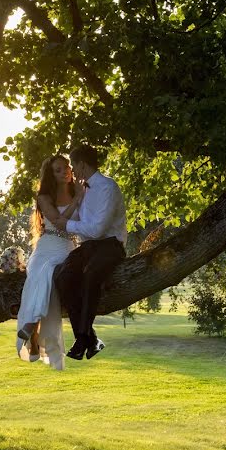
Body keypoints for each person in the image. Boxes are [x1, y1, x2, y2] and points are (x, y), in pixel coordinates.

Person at [54, 145, 127, 361]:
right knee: (62, 275)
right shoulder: (83, 190)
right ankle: (90, 338)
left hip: (110, 245)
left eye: (74, 166)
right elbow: (78, 221)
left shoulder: (108, 188)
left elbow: (97, 229)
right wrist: (70, 204)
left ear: (82, 165)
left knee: (91, 275)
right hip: (89, 246)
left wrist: (66, 224)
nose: (73, 171)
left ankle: (82, 337)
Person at [15, 155, 83, 370]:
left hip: (66, 249)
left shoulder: (78, 191)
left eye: (66, 167)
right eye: (58, 170)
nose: (65, 172)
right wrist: (78, 200)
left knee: (50, 271)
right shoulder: (44, 197)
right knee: (40, 270)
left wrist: (79, 197)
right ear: (51, 175)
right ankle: (32, 331)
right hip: (46, 246)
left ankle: (31, 327)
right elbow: (60, 223)